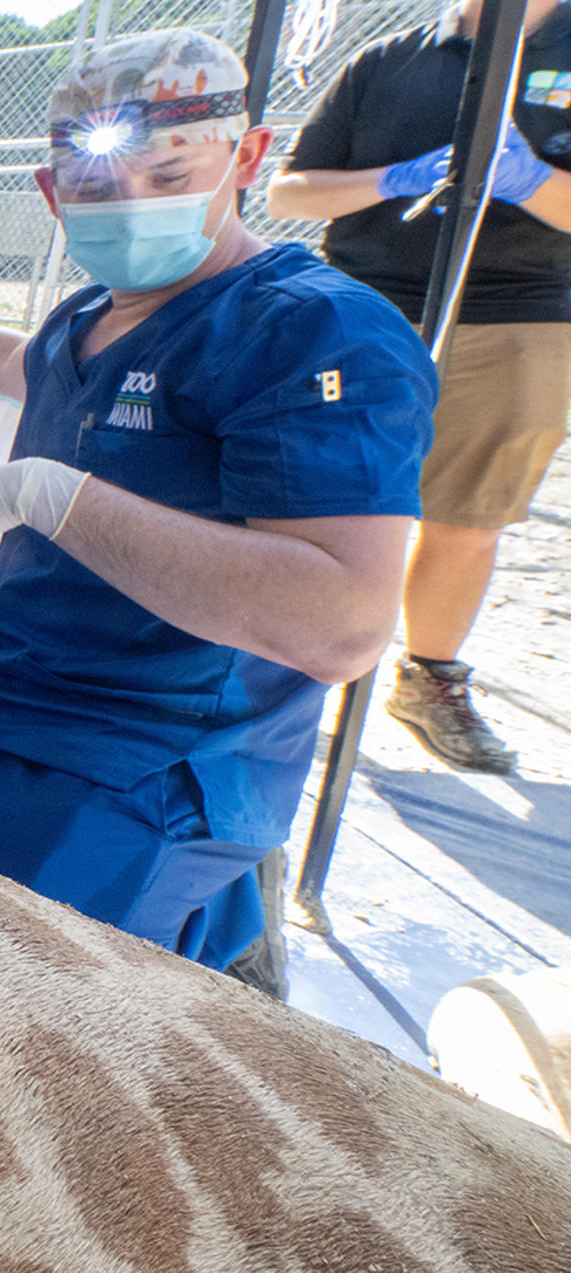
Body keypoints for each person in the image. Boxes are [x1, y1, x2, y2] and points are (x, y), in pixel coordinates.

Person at [0, 31, 436, 972]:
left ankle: (205, 924)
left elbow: (343, 626)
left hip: (137, 750)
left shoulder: (312, 332)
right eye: (99, 189)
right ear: (52, 193)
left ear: (249, 156)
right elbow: (14, 363)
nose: (133, 206)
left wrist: (48, 493)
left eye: (169, 173)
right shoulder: (90, 312)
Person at [265, 0, 571, 775]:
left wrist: (530, 183)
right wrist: (390, 180)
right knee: (310, 496)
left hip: (517, 314)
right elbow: (290, 193)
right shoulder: (389, 58)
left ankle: (428, 679)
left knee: (467, 515)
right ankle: (273, 664)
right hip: (364, 307)